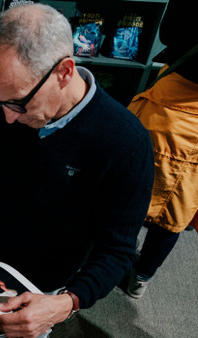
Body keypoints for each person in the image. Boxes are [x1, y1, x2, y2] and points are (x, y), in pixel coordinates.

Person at [0, 4, 154, 337]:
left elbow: (117, 250)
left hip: (40, 287)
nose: (7, 117)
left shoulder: (126, 142)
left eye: (18, 102)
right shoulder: (0, 114)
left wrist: (65, 303)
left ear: (65, 72)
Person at [126, 0, 198, 299]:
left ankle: (112, 259)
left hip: (169, 105)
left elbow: (169, 34)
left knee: (130, 190)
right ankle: (141, 277)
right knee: (176, 210)